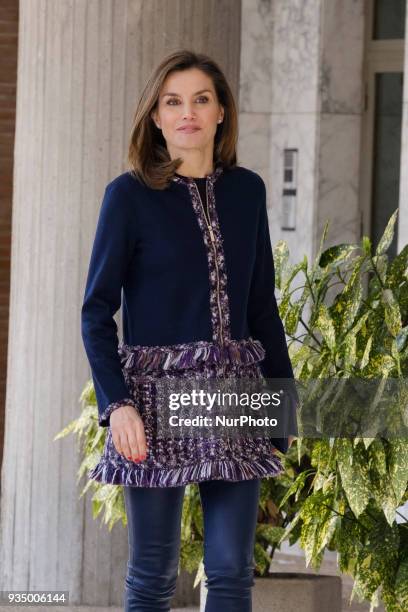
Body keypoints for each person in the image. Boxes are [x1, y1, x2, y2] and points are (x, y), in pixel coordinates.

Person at [81, 49, 298, 612]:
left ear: (221, 111)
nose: (187, 114)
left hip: (234, 395)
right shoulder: (127, 197)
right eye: (172, 102)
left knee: (230, 572)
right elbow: (96, 311)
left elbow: (262, 306)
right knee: (152, 575)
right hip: (154, 400)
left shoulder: (248, 191)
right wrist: (117, 404)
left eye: (201, 100)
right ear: (155, 116)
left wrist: (283, 405)